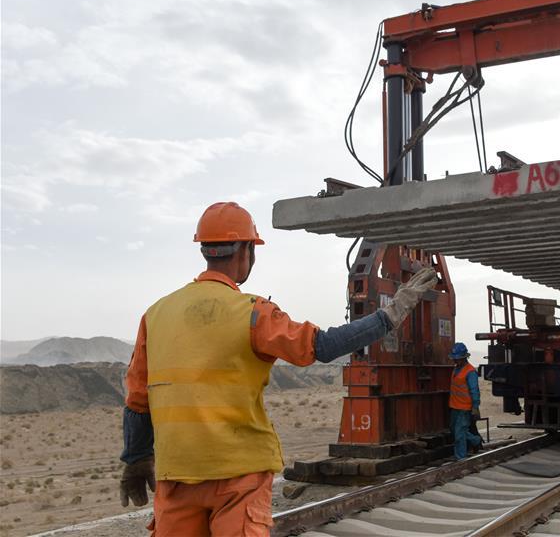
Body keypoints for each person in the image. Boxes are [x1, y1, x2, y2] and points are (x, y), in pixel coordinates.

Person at [118, 202, 437, 536]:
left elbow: (138, 399)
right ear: (245, 251)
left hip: (176, 475)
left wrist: (136, 457)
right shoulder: (253, 313)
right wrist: (390, 315)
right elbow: (323, 346)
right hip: (238, 474)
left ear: (205, 250)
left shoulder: (155, 315)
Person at [448, 342, 482, 460]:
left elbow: (474, 391)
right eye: (454, 359)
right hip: (455, 406)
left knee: (459, 433)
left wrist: (475, 407)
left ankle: (461, 458)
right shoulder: (456, 369)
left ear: (464, 358)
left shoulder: (470, 372)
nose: (455, 361)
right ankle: (475, 440)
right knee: (454, 429)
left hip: (465, 408)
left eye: (457, 359)